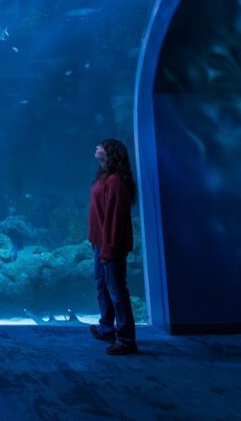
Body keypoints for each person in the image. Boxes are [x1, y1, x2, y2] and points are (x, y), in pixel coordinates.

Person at [87, 138, 138, 355]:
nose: (96, 147)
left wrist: (108, 248)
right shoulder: (104, 176)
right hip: (100, 242)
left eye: (101, 146)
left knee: (117, 291)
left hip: (111, 244)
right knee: (102, 286)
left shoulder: (116, 181)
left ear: (110, 152)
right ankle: (107, 327)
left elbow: (115, 219)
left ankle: (126, 339)